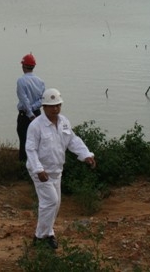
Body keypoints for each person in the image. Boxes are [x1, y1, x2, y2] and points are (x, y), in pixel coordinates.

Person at [25, 88, 96, 250]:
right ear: (44, 107)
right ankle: (39, 237)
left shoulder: (64, 121)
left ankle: (47, 234)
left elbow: (72, 140)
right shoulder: (36, 126)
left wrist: (86, 154)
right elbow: (30, 149)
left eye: (57, 105)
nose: (55, 108)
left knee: (55, 204)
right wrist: (38, 169)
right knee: (50, 201)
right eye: (51, 106)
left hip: (57, 170)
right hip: (41, 171)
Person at [16, 53, 45, 162]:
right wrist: (33, 109)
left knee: (24, 141)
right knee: (36, 141)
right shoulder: (40, 81)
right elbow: (42, 100)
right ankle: (36, 165)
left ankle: (23, 167)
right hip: (38, 114)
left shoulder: (21, 81)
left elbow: (24, 99)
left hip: (25, 115)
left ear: (23, 66)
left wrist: (29, 113)